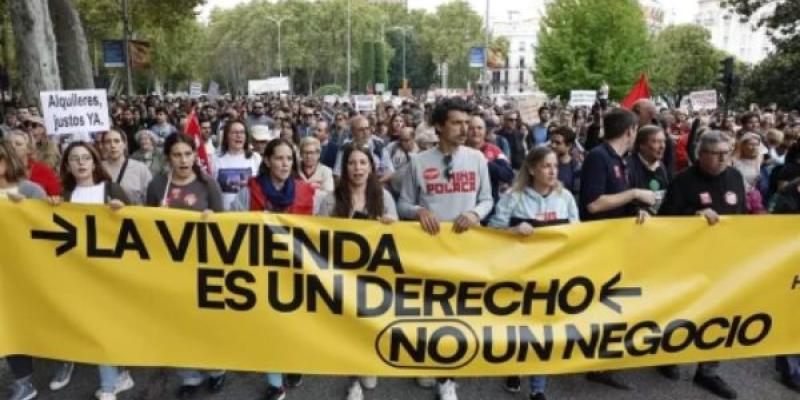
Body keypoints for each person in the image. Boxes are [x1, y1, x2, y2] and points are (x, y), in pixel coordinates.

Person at [398, 97, 493, 400]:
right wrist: (418, 212)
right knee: (430, 309)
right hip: (430, 250)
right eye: (456, 122)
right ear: (439, 126)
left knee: (458, 309)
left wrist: (476, 213)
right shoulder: (419, 161)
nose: (464, 129)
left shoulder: (477, 159)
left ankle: (447, 374)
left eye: (467, 123)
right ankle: (433, 364)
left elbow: (488, 199)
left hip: (466, 248)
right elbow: (402, 203)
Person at [658, 130, 744, 399]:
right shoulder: (683, 181)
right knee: (682, 311)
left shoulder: (735, 176)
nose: (723, 159)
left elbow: (741, 215)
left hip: (723, 260)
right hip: (688, 261)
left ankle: (708, 370)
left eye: (726, 153)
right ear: (701, 154)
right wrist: (692, 216)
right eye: (717, 154)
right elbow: (665, 220)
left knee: (718, 314)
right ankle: (669, 356)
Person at [489, 146, 578, 400]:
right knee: (520, 329)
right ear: (532, 169)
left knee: (545, 332)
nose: (552, 171)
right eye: (546, 166)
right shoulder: (513, 197)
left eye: (555, 166)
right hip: (520, 276)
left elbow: (578, 235)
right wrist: (513, 230)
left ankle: (538, 389)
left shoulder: (566, 197)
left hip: (553, 276)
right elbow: (492, 233)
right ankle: (516, 367)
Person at [231, 138, 314, 400]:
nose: (285, 163)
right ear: (266, 161)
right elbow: (231, 227)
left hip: (296, 270)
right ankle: (274, 382)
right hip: (261, 270)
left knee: (296, 325)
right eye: (279, 158)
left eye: (289, 158)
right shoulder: (249, 191)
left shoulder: (305, 191)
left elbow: (324, 228)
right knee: (269, 327)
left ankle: (295, 364)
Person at [144, 133, 227, 399]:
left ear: (195, 155)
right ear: (168, 157)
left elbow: (225, 227)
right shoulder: (157, 186)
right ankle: (189, 375)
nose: (183, 160)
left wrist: (213, 219)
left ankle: (216, 369)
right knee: (179, 322)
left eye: (188, 154)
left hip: (204, 265)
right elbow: (146, 223)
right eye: (177, 155)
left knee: (208, 322)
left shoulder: (209, 185)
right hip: (171, 267)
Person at [578, 108, 653, 390]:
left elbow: (618, 200)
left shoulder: (621, 159)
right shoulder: (599, 157)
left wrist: (636, 210)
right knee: (602, 301)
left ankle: (603, 359)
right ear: (630, 131)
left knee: (613, 300)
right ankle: (596, 362)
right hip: (599, 243)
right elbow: (593, 203)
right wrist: (633, 194)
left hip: (617, 242)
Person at [317, 144, 397, 400]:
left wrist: (389, 224)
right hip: (342, 273)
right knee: (348, 325)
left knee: (370, 321)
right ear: (345, 167)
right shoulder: (331, 198)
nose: (357, 168)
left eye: (363, 163)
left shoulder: (383, 196)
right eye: (352, 163)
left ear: (371, 167)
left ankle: (368, 363)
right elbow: (317, 234)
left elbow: (400, 236)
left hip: (375, 273)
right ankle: (353, 379)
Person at [58, 141, 135, 400]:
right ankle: (119, 376)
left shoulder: (111, 189)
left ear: (94, 162)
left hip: (111, 273)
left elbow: (137, 225)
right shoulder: (64, 196)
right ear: (67, 166)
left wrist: (122, 211)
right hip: (78, 274)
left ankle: (109, 384)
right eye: (74, 159)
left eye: (85, 158)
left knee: (106, 325)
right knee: (95, 325)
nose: (81, 163)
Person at [466, 116, 514, 211]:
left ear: (485, 131)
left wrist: (485, 163)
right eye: (471, 128)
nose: (475, 132)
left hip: (489, 207)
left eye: (479, 128)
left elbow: (508, 174)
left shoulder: (494, 150)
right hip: (465, 208)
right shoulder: (458, 151)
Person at [212, 120, 262, 210]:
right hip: (223, 215)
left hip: (249, 215)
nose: (239, 135)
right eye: (234, 132)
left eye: (242, 132)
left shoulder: (256, 158)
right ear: (227, 136)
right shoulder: (215, 159)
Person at [99, 128, 153, 205]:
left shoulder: (141, 169)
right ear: (103, 146)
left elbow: (151, 200)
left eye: (117, 141)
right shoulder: (96, 169)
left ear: (124, 144)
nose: (113, 145)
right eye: (108, 142)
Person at [333, 116, 394, 184]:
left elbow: (390, 171)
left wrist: (376, 183)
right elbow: (337, 174)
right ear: (353, 131)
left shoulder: (378, 143)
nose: (365, 132)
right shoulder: (345, 147)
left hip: (376, 184)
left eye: (367, 128)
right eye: (361, 130)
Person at [627, 125, 670, 214]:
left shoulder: (661, 166)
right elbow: (622, 200)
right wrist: (637, 211)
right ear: (642, 145)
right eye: (656, 142)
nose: (662, 146)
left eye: (663, 141)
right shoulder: (628, 166)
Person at [6, 129, 61, 197]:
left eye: (18, 144)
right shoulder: (2, 171)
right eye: (8, 144)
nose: (12, 147)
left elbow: (56, 197)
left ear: (29, 149)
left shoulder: (43, 170)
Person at [548, 126, 581, 196]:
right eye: (552, 142)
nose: (553, 145)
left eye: (558, 143)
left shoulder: (576, 169)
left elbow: (576, 195)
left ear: (569, 145)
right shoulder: (544, 164)